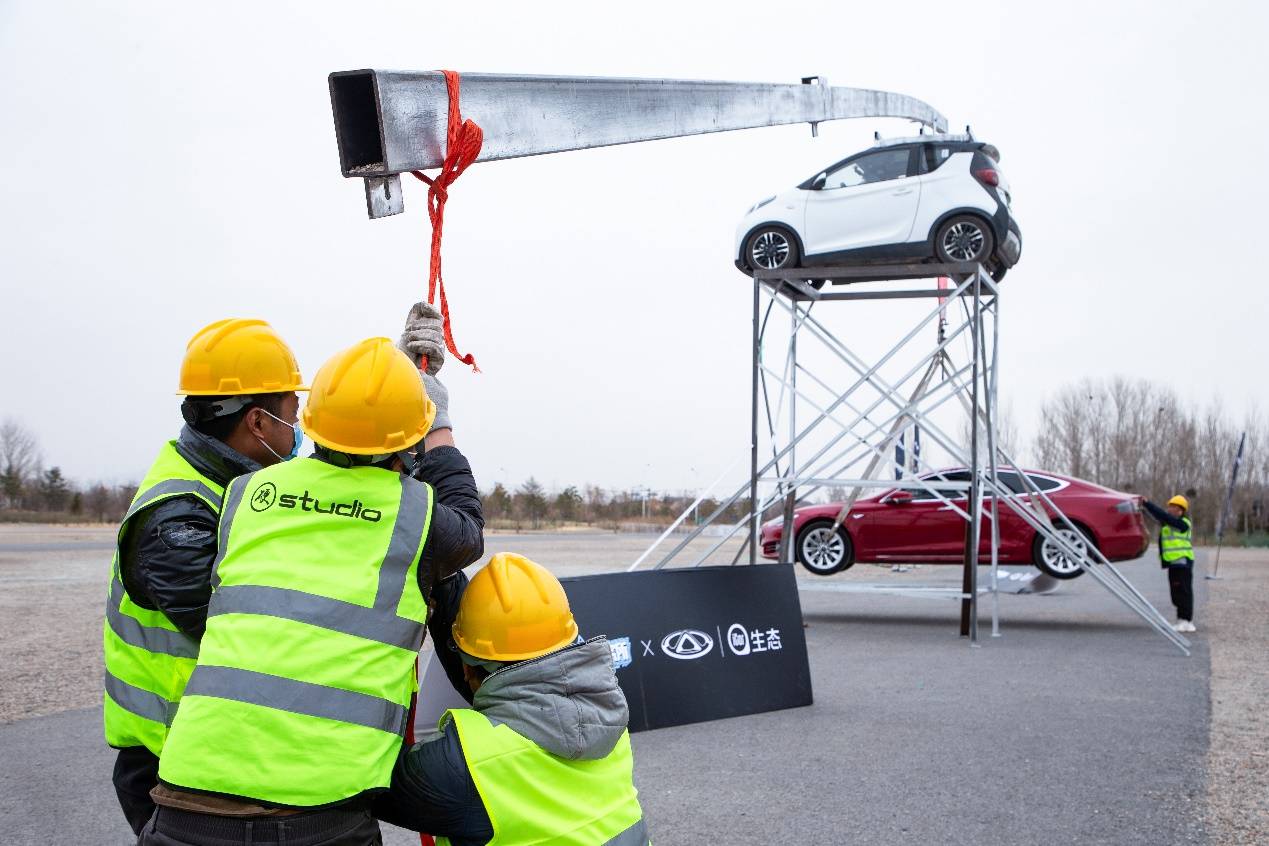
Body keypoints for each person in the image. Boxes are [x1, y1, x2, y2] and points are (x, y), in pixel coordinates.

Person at [141, 332, 483, 846]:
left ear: (315, 423)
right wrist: (438, 419)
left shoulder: (246, 494)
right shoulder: (417, 515)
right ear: (407, 439)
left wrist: (391, 391)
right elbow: (467, 526)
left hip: (189, 794)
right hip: (319, 809)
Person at [104, 318, 308, 835]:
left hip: (208, 751)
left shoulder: (231, 486)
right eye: (293, 412)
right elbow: (237, 628)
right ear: (259, 424)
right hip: (170, 767)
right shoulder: (178, 518)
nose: (298, 426)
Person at [373, 552, 650, 846]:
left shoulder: (464, 766)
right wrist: (447, 582)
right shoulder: (607, 716)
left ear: (468, 669)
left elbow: (363, 780)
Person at [1142, 494, 1197, 632]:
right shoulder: (1170, 523)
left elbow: (1163, 516)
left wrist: (1148, 503)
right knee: (1176, 593)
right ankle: (1181, 620)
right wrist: (1143, 509)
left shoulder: (1183, 523)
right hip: (1174, 563)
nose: (1169, 509)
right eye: (1169, 506)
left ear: (1181, 510)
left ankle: (1187, 621)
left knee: (1184, 592)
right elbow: (1157, 517)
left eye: (1173, 507)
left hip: (1182, 562)